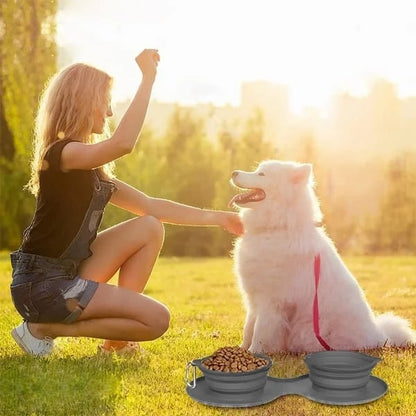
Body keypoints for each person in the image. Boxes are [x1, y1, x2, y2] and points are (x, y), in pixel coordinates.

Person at [10, 49, 243, 356]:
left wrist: (220, 219)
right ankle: (43, 328)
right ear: (84, 102)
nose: (108, 113)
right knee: (157, 320)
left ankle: (114, 344)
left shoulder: (90, 170)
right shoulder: (62, 154)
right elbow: (123, 143)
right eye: (105, 102)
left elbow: (152, 206)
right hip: (41, 286)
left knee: (149, 227)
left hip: (65, 275)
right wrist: (148, 78)